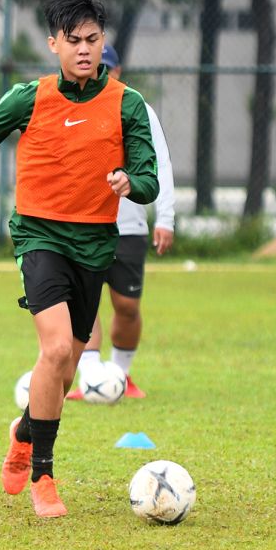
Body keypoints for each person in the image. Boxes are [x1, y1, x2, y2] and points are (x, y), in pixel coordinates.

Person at [0, 0, 158, 518]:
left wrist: (129, 181)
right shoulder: (30, 97)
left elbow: (150, 178)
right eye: (74, 41)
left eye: (93, 40)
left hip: (95, 246)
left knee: (66, 365)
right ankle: (43, 475)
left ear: (103, 43)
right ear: (54, 45)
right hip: (39, 238)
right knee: (54, 351)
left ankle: (24, 432)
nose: (85, 50)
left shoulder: (127, 104)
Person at [65, 43, 175, 400]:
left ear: (116, 70)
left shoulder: (137, 108)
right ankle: (93, 377)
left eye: (107, 67)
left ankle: (121, 376)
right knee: (84, 304)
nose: (101, 73)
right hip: (81, 225)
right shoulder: (69, 107)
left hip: (127, 226)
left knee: (126, 307)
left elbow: (160, 165)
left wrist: (166, 217)